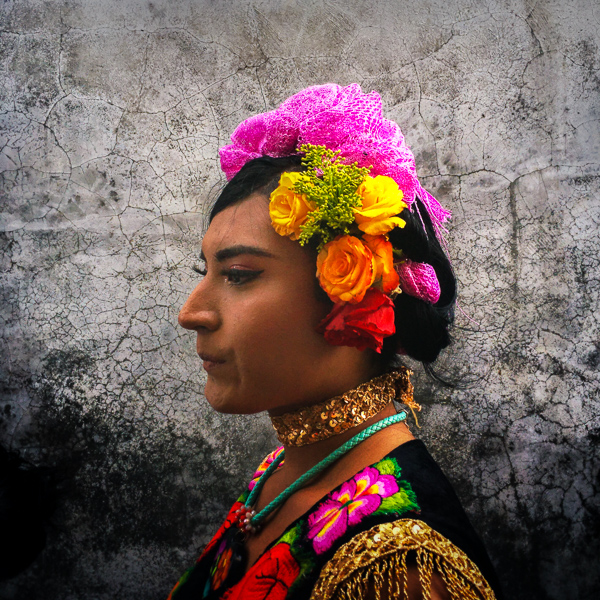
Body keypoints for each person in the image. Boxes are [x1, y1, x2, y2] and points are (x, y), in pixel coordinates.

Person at [169, 84, 502, 600]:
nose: (191, 313)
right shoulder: (283, 468)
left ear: (353, 290)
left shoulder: (402, 566)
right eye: (204, 270)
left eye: (237, 275)